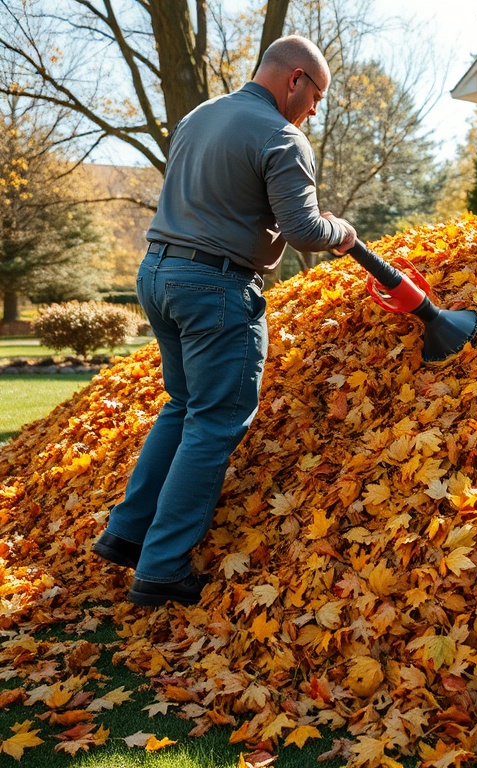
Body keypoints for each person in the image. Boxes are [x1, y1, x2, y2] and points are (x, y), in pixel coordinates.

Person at [92, 35, 357, 607]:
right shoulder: (282, 136)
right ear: (295, 81)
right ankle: (160, 568)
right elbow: (306, 231)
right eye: (317, 97)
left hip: (157, 274)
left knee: (183, 405)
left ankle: (126, 532)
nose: (314, 110)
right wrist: (342, 231)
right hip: (215, 288)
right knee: (214, 422)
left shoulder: (199, 116)